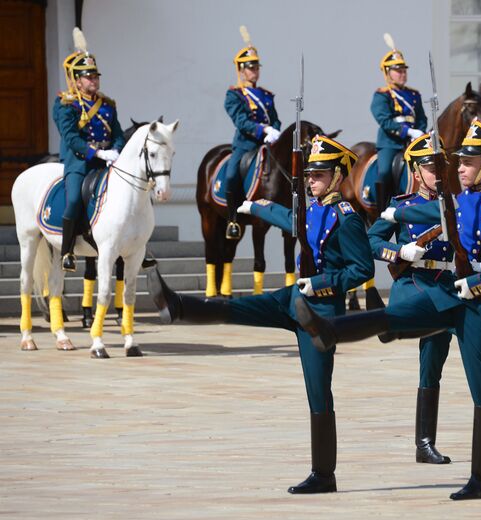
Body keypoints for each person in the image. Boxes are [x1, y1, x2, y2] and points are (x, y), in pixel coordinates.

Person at [296, 121, 481, 500]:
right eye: (433, 166)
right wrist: (396, 243)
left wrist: (478, 281)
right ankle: (337, 332)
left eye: (462, 163)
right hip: (431, 286)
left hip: (470, 293)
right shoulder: (424, 203)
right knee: (407, 330)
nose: (451, 171)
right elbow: (390, 233)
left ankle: (480, 478)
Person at [147, 135, 373, 494]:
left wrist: (322, 284)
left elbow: (361, 270)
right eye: (310, 174)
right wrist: (258, 206)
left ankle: (324, 474)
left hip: (321, 313)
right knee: (238, 308)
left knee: (318, 393)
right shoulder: (311, 207)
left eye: (318, 175)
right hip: (295, 298)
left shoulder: (347, 219)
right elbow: (290, 218)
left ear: (335, 176)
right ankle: (178, 306)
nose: (311, 180)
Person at [367, 133, 454, 465]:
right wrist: (399, 250)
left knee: (432, 367)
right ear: (416, 171)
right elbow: (371, 242)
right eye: (431, 168)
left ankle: (424, 444)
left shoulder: (455, 203)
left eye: (441, 167)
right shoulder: (401, 206)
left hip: (447, 283)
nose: (438, 173)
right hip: (415, 281)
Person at [53, 28, 125, 271]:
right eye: (88, 77)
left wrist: (115, 149)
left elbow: (117, 133)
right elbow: (71, 138)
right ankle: (67, 251)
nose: (93, 80)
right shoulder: (67, 105)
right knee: (73, 200)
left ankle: (138, 247)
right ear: (77, 79)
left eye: (95, 76)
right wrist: (96, 153)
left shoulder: (107, 105)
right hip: (80, 162)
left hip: (106, 163)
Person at [223, 26, 281, 240]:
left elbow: (274, 117)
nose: (255, 71)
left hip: (267, 145)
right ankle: (232, 220)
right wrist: (263, 129)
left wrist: (275, 129)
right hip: (246, 144)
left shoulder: (266, 95)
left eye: (257, 66)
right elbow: (240, 120)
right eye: (250, 67)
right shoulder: (234, 94)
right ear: (241, 69)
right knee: (231, 176)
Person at [369, 33, 427, 211]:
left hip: (412, 143)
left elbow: (421, 119)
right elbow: (384, 121)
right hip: (390, 143)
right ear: (388, 73)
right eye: (398, 70)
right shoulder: (382, 94)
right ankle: (380, 209)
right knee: (385, 171)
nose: (402, 74)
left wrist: (420, 133)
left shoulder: (414, 95)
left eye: (404, 70)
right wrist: (408, 132)